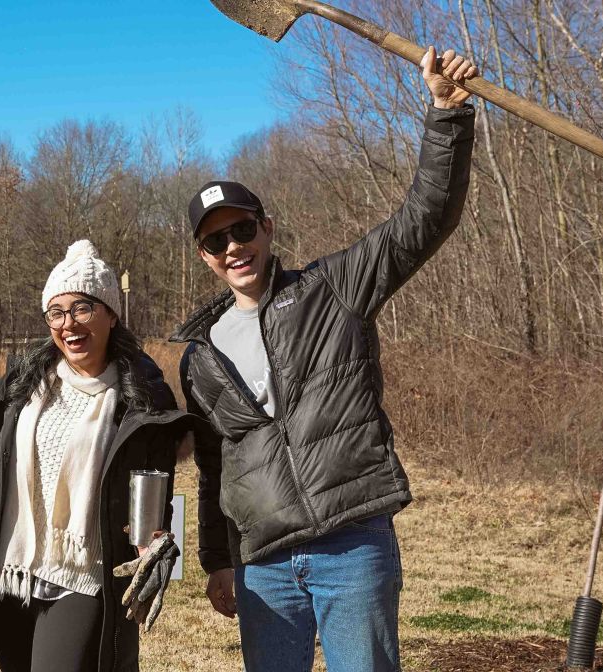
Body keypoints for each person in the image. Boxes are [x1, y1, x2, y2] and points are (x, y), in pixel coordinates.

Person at [172, 47, 479, 671]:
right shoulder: (200, 355)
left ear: (267, 227)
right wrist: (218, 559)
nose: (233, 246)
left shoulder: (333, 289)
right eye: (216, 240)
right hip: (265, 563)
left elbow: (421, 221)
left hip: (352, 544)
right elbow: (215, 467)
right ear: (204, 255)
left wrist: (445, 115)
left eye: (242, 230)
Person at [0, 240, 201, 671]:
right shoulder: (25, 382)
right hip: (12, 570)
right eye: (55, 312)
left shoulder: (141, 396)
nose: (68, 323)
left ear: (111, 314)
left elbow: (156, 488)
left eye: (82, 308)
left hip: (85, 572)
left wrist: (156, 540)